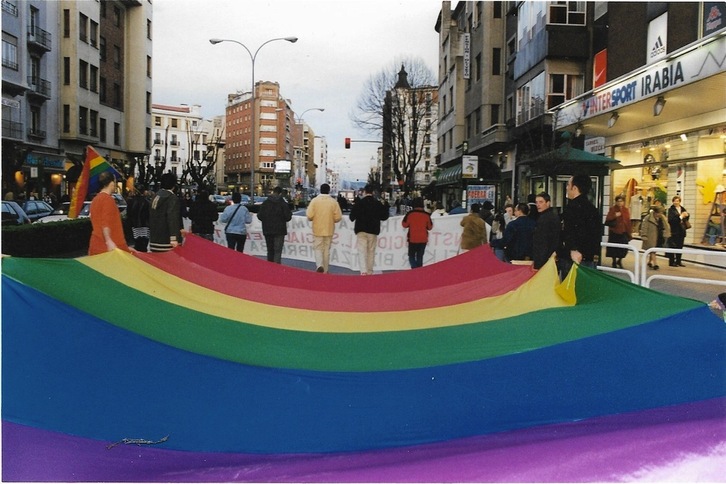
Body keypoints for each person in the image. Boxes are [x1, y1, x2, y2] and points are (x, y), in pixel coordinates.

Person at [558, 175, 602, 278]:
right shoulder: (593, 209)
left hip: (572, 258)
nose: (567, 188)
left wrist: (573, 249)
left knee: (570, 290)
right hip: (588, 258)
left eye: (568, 185)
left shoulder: (572, 208)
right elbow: (596, 233)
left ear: (575, 188)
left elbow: (569, 231)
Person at [349, 184, 390, 275]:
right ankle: (370, 271)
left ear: (364, 192)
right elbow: (384, 216)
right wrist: (386, 206)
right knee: (371, 251)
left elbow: (351, 217)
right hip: (373, 230)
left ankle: (363, 271)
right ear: (373, 193)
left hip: (361, 230)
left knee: (362, 251)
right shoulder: (377, 203)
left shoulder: (359, 203)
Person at [88, 171, 130, 255]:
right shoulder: (108, 200)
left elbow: (93, 219)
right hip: (111, 247)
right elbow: (105, 223)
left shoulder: (95, 200)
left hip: (96, 245)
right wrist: (108, 241)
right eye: (115, 182)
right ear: (111, 183)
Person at [307, 183, 343, 273]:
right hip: (329, 229)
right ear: (329, 191)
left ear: (320, 190)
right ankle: (325, 270)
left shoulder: (314, 201)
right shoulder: (333, 202)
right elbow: (338, 217)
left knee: (318, 248)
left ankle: (320, 265)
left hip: (317, 229)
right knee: (326, 250)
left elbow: (309, 215)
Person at [257, 186, 292, 264]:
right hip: (280, 230)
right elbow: (288, 217)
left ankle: (270, 268)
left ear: (273, 192)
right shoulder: (283, 203)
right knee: (278, 251)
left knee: (270, 250)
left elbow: (260, 216)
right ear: (280, 193)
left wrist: (267, 220)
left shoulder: (266, 203)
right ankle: (276, 268)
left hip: (268, 229)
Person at [149, 173, 183, 253]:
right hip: (167, 241)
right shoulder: (172, 198)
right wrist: (174, 238)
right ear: (173, 185)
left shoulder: (155, 197)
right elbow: (172, 218)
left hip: (154, 240)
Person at [532, 192, 561, 271]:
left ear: (548, 203)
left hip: (544, 260)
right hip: (549, 258)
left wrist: (539, 262)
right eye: (536, 202)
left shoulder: (545, 219)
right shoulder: (551, 216)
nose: (538, 205)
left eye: (541, 202)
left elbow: (542, 242)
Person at [402, 197, 433, 268]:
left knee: (411, 256)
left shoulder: (410, 214)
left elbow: (404, 224)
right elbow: (430, 227)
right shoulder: (427, 215)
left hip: (412, 238)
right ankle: (419, 271)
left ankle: (414, 269)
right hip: (423, 239)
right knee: (420, 256)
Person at [604, 195, 633, 268]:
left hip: (623, 231)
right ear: (616, 202)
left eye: (621, 201)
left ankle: (619, 260)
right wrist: (615, 215)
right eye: (618, 201)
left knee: (624, 247)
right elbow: (608, 219)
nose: (620, 203)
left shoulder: (625, 210)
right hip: (614, 231)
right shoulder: (613, 209)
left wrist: (629, 231)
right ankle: (614, 261)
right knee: (614, 248)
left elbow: (628, 221)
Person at [640, 203, 670, 270]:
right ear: (655, 212)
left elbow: (666, 226)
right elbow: (644, 227)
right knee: (652, 250)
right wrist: (644, 235)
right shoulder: (648, 218)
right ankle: (655, 264)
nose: (660, 214)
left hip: (659, 236)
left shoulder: (662, 218)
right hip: (651, 236)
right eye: (659, 213)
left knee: (654, 250)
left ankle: (650, 261)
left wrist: (667, 234)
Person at [667, 195, 690, 267]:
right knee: (673, 246)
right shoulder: (671, 210)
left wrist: (687, 215)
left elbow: (686, 219)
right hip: (674, 230)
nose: (676, 202)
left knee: (680, 246)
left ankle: (678, 261)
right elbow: (671, 220)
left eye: (677, 201)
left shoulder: (682, 209)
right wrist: (680, 217)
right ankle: (672, 261)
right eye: (675, 201)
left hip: (681, 230)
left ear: (680, 201)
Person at [126, 184, 150, 252]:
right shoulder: (147, 202)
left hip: (134, 226)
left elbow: (128, 215)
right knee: (143, 246)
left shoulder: (130, 202)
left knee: (136, 246)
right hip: (145, 227)